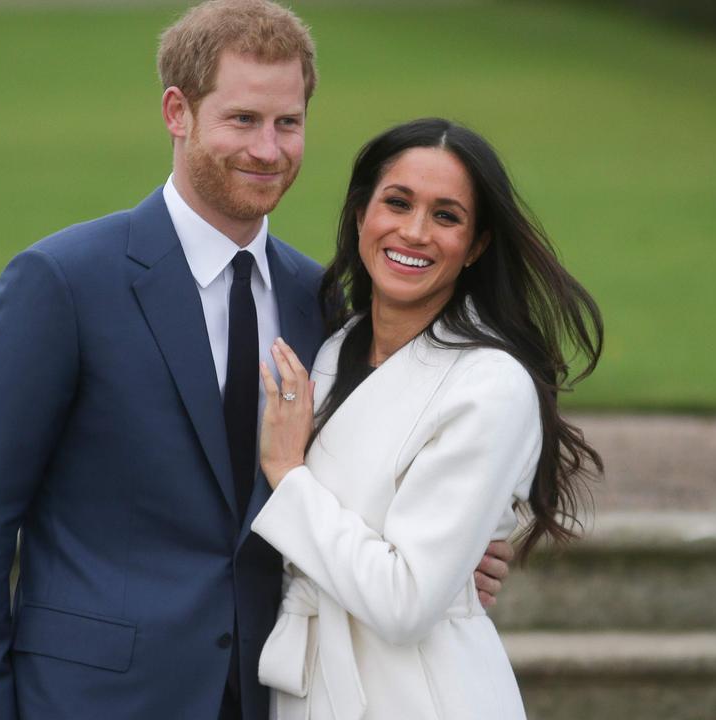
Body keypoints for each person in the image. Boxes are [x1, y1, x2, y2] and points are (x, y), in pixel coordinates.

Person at [0, 4, 512, 719]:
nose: (268, 149)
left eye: (287, 123)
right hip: (93, 698)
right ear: (178, 111)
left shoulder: (322, 303)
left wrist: (452, 559)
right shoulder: (62, 283)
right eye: (242, 120)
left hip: (274, 693)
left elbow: (357, 482)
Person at [251, 118, 604, 719]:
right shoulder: (336, 347)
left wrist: (288, 474)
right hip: (311, 687)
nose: (414, 233)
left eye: (447, 216)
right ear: (361, 214)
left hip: (422, 694)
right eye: (397, 203)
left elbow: (406, 601)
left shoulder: (490, 385)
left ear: (477, 244)